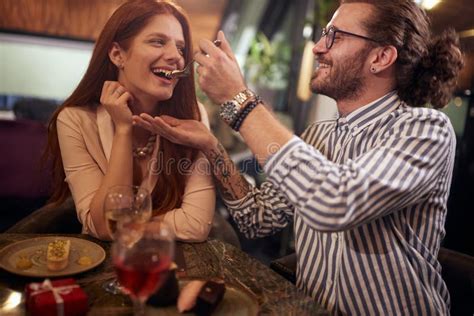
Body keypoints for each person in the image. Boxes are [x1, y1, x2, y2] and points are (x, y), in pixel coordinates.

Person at [134, 0, 464, 314]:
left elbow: (335, 201)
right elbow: (257, 217)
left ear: (380, 57)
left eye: (335, 36)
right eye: (324, 35)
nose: (319, 47)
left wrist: (239, 99)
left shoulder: (425, 130)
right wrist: (210, 146)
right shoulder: (318, 135)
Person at [46, 0, 215, 241]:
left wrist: (127, 223)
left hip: (169, 263)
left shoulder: (194, 116)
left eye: (180, 48)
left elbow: (195, 226)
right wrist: (123, 129)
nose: (175, 57)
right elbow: (105, 226)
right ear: (117, 54)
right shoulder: (74, 120)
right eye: (157, 41)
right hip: (102, 267)